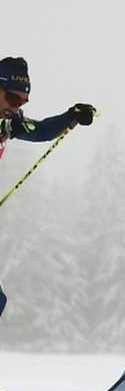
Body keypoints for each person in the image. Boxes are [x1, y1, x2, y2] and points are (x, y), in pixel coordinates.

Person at [0, 56, 96, 324]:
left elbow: (39, 130)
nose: (16, 107)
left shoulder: (8, 121)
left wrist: (71, 116)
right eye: (12, 99)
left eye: (22, 102)